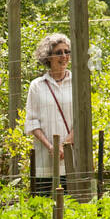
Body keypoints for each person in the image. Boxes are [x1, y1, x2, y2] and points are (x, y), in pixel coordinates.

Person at [25, 33, 75, 196]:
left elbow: (82, 120)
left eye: (67, 52)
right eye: (59, 52)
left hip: (72, 156)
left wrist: (64, 146)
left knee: (73, 204)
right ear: (48, 57)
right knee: (45, 204)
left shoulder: (77, 82)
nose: (64, 56)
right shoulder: (37, 86)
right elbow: (32, 121)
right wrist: (51, 147)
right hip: (44, 157)